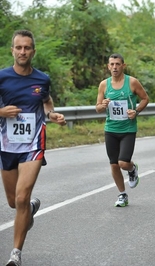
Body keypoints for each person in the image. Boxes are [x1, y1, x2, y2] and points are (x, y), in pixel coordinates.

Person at [1, 29, 67, 266]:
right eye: (18, 47)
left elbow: (46, 101)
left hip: (33, 145)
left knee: (21, 196)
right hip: (7, 145)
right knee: (13, 202)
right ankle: (28, 208)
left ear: (33, 51)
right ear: (12, 50)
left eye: (27, 47)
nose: (22, 52)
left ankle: (15, 254)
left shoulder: (42, 79)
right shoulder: (2, 77)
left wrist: (52, 114)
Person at [95, 53, 149, 207]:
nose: (114, 67)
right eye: (112, 64)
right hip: (111, 129)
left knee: (123, 163)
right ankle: (122, 194)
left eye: (118, 64)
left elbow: (145, 98)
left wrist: (136, 111)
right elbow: (98, 108)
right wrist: (103, 105)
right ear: (108, 66)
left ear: (123, 66)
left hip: (128, 129)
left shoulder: (132, 82)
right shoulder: (104, 85)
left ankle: (132, 169)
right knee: (114, 164)